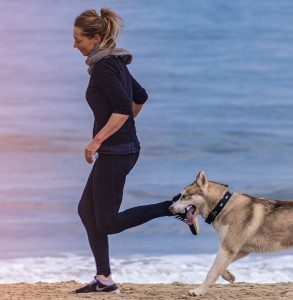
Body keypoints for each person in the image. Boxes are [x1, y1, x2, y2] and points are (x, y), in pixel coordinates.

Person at [73, 8, 199, 294]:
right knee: (86, 210)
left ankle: (175, 207)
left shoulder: (106, 66)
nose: (74, 45)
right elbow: (139, 97)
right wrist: (123, 127)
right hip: (121, 149)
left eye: (78, 39)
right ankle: (104, 279)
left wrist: (98, 140)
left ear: (94, 38)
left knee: (106, 223)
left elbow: (121, 108)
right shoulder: (113, 61)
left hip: (118, 152)